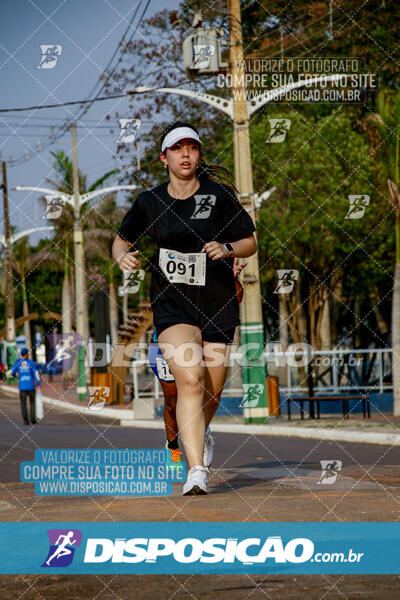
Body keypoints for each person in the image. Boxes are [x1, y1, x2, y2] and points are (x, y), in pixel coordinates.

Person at [113, 121, 257, 495]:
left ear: (199, 154)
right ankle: (196, 471)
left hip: (218, 302)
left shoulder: (220, 196)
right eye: (178, 148)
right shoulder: (151, 201)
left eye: (192, 147)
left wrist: (227, 249)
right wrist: (122, 258)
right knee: (189, 381)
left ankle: (200, 432)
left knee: (211, 392)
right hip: (172, 305)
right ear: (165, 158)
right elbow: (120, 241)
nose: (186, 154)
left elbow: (249, 242)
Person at [149, 258, 248, 471]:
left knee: (207, 394)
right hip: (164, 343)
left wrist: (231, 279)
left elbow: (236, 297)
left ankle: (201, 433)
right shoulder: (170, 264)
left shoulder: (213, 267)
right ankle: (173, 447)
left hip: (207, 340)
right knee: (172, 399)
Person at [11, 347, 41, 425]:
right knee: (32, 402)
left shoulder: (18, 363)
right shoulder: (31, 363)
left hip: (22, 386)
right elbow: (35, 374)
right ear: (27, 354)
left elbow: (12, 372)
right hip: (31, 386)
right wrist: (38, 383)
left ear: (21, 354)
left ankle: (25, 421)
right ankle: (32, 419)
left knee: (23, 404)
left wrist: (18, 375)